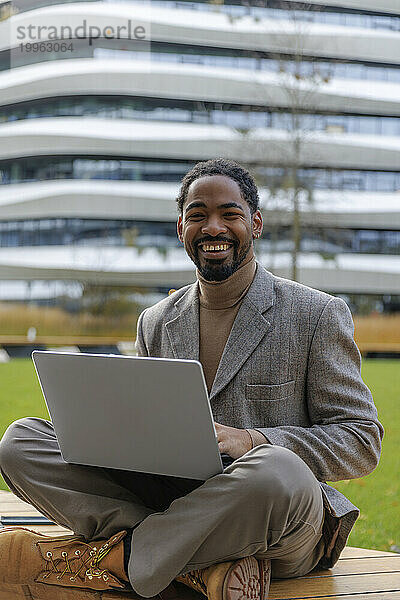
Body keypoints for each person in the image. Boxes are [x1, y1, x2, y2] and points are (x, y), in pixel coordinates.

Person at [0, 159, 383, 600]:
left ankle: (112, 561)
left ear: (255, 223)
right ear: (181, 227)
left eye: (230, 214)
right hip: (174, 498)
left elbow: (361, 440)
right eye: (198, 215)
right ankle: (192, 568)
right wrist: (106, 438)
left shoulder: (315, 314)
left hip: (276, 519)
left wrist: (254, 440)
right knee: (20, 442)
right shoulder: (156, 322)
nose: (213, 227)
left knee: (276, 468)